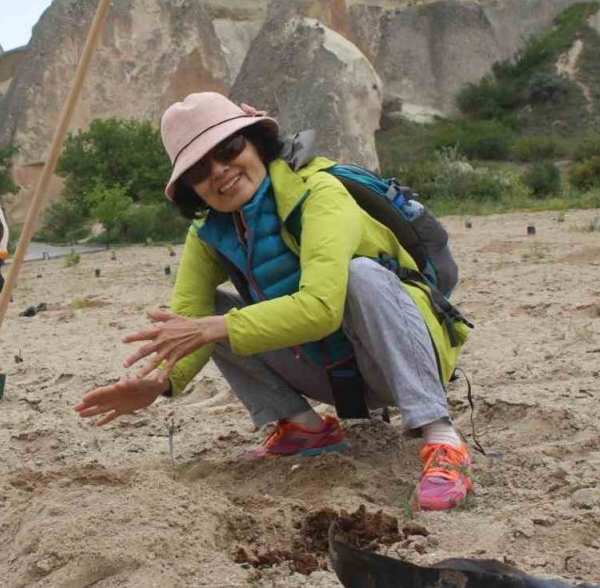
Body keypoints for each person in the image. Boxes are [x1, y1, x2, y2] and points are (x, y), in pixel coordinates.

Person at [75, 92, 475, 511]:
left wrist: (216, 328)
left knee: (361, 276)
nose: (220, 172)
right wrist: (161, 382)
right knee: (208, 312)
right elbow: (191, 319)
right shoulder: (208, 234)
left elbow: (321, 307)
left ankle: (443, 440)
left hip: (396, 360)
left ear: (255, 142)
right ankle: (305, 428)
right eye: (198, 170)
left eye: (229, 150)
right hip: (327, 374)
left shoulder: (320, 191)